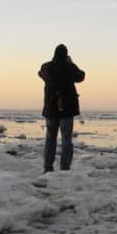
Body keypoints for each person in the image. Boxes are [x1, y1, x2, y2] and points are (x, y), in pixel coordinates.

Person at [38, 44, 85, 173]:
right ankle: (65, 168)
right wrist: (71, 63)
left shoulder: (46, 67)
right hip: (67, 109)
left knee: (50, 139)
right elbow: (81, 76)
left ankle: (48, 168)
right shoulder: (70, 67)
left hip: (51, 109)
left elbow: (40, 74)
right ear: (66, 55)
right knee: (66, 139)